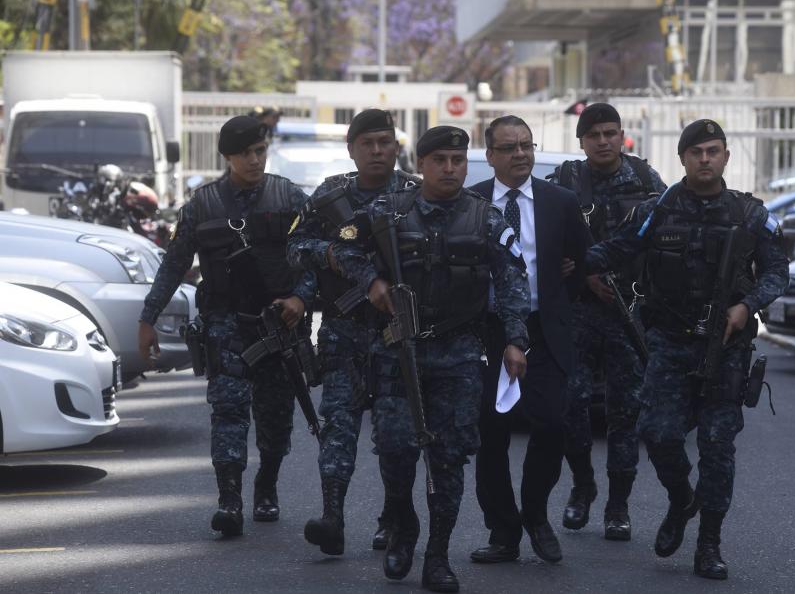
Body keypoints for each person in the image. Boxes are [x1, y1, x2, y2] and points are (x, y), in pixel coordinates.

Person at [585, 119, 789, 579]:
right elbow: (617, 249)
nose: (704, 159)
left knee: (717, 446)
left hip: (726, 347)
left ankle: (709, 545)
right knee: (658, 434)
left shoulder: (750, 214)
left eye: (713, 151)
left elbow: (778, 271)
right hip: (670, 343)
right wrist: (572, 262)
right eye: (696, 152)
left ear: (725, 157)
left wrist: (746, 305)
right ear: (683, 158)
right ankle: (682, 500)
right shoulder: (658, 210)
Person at [331, 125, 530, 592]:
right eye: (439, 160)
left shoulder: (487, 219)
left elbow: (512, 280)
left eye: (457, 161)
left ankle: (437, 556)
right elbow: (341, 246)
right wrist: (371, 282)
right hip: (400, 351)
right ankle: (403, 525)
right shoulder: (387, 211)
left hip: (459, 353)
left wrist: (516, 339)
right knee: (396, 454)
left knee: (448, 460)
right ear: (421, 165)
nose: (449, 169)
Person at [138, 115, 317, 537]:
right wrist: (149, 317)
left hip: (278, 326)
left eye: (261, 151)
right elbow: (174, 264)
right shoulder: (203, 204)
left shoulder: (289, 196)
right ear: (228, 156)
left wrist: (300, 298)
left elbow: (314, 257)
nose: (255, 160)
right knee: (228, 412)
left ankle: (266, 484)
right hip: (225, 323)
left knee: (275, 418)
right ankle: (230, 500)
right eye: (246, 153)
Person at [286, 109, 420, 555]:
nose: (377, 150)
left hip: (395, 331)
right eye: (368, 143)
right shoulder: (331, 196)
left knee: (394, 434)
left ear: (397, 146)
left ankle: (393, 518)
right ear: (352, 149)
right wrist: (331, 255)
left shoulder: (415, 195)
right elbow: (295, 247)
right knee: (338, 425)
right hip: (343, 331)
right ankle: (333, 517)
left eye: (385, 142)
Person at [468, 116, 590, 565]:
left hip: (544, 329)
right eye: (509, 147)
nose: (520, 154)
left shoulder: (560, 201)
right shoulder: (472, 202)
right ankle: (503, 531)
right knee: (490, 433)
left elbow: (581, 263)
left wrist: (557, 299)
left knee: (551, 425)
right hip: (488, 332)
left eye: (526, 145)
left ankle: (536, 515)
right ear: (491, 156)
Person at [548, 103, 666, 541]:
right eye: (594, 134)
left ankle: (618, 504)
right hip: (576, 311)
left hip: (628, 312)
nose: (603, 141)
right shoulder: (564, 180)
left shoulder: (647, 181)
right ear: (581, 141)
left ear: (622, 137)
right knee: (570, 407)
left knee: (625, 412)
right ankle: (582, 485)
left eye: (610, 133)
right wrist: (585, 275)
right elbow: (544, 240)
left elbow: (664, 238)